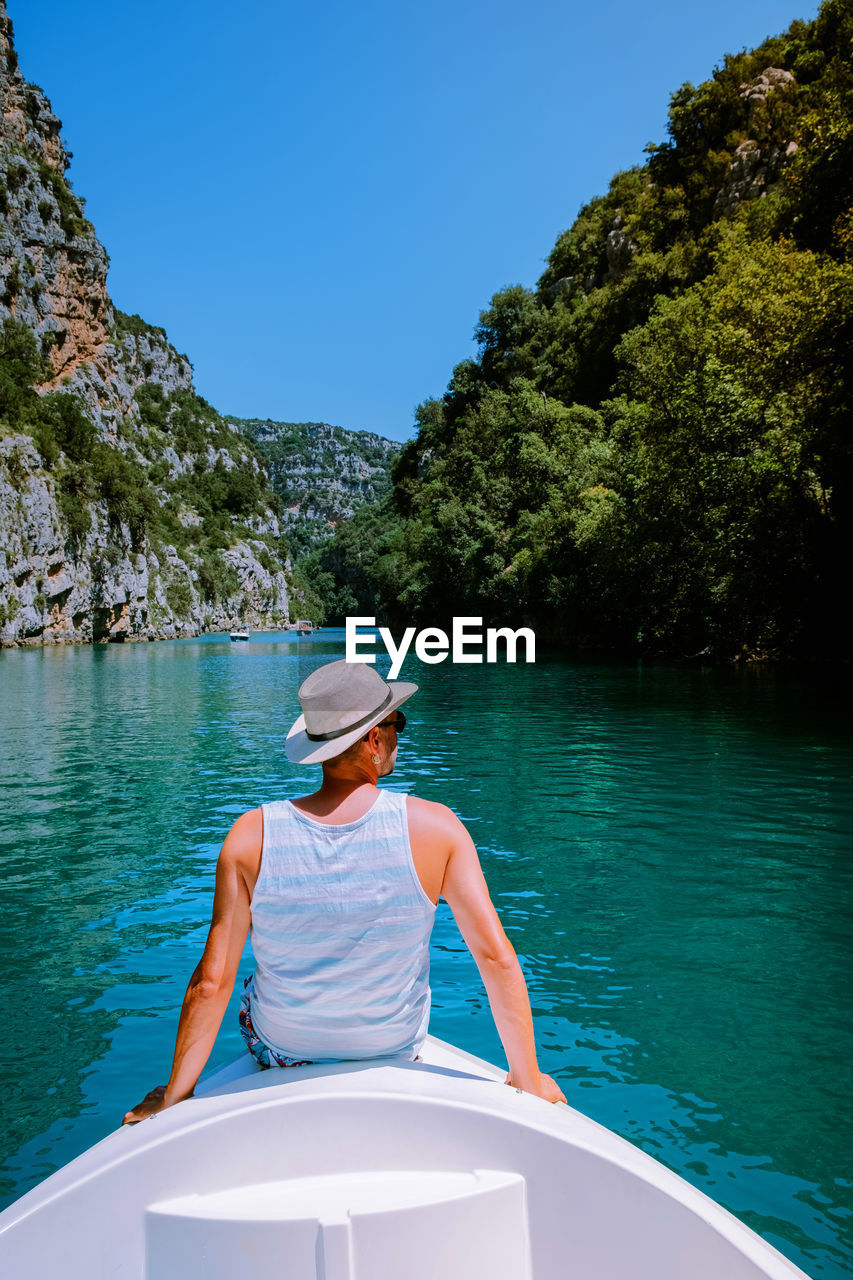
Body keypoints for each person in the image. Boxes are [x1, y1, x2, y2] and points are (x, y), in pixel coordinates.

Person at [123, 659, 565, 1123]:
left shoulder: (250, 836)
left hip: (283, 1053)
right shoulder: (439, 829)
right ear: (374, 740)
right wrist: (528, 1080)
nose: (399, 737)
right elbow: (495, 960)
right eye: (397, 724)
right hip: (393, 1049)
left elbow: (211, 983)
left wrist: (174, 1096)